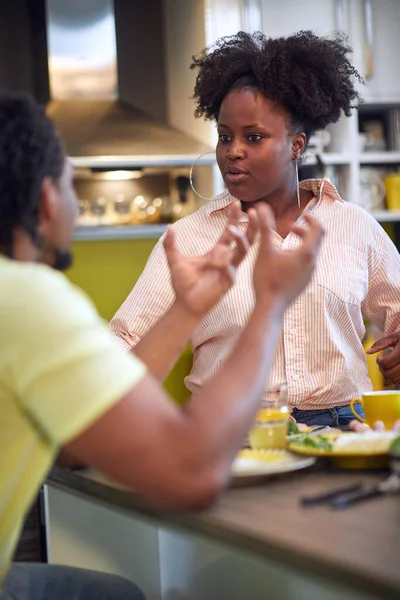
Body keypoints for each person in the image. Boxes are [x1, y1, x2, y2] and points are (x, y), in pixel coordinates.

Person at [0, 90, 323, 600]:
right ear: (45, 200)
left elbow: (70, 443)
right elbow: (192, 476)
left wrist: (187, 308)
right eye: (69, 184)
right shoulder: (27, 298)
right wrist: (272, 303)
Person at [110, 30, 400, 428]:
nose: (233, 151)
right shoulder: (189, 239)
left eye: (254, 137)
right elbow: (123, 344)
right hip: (230, 435)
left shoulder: (354, 226)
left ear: (297, 145)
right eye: (225, 137)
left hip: (344, 431)